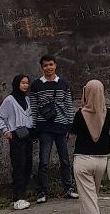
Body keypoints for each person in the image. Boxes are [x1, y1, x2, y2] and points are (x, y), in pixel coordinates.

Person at [31, 55, 77, 203]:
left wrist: (69, 125)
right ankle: (42, 192)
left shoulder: (63, 83)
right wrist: (34, 127)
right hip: (44, 128)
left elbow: (69, 105)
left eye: (51, 64)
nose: (48, 68)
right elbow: (33, 108)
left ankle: (68, 189)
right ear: (42, 67)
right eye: (45, 65)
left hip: (61, 126)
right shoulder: (36, 85)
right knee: (44, 161)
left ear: (55, 65)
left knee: (65, 160)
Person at [70, 80, 110, 214]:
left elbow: (73, 130)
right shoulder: (109, 112)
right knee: (89, 197)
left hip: (83, 160)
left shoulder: (81, 113)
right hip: (102, 160)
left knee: (89, 200)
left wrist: (84, 106)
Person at [0, 75, 35, 210]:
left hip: (27, 136)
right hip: (16, 137)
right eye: (22, 83)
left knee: (28, 165)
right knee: (18, 166)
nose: (25, 85)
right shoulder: (10, 100)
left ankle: (23, 193)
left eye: (27, 83)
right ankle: (18, 198)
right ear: (17, 84)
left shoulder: (27, 99)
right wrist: (6, 131)